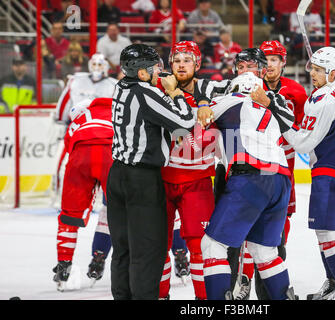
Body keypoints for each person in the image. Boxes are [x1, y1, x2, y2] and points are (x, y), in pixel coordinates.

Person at [267, 46, 335, 300]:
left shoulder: (322, 100)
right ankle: (334, 283)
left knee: (330, 233)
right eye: (313, 69)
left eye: (319, 70)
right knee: (324, 231)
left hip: (331, 170)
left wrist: (280, 117)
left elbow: (303, 143)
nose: (313, 74)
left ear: (332, 72)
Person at [107, 43, 196, 300]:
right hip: (141, 180)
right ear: (142, 73)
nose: (160, 71)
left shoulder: (120, 87)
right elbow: (185, 122)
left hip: (118, 176)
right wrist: (175, 92)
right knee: (147, 251)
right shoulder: (144, 92)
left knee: (123, 249)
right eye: (154, 67)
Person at [201, 71, 296, 300]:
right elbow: (291, 125)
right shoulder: (272, 111)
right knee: (264, 251)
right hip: (281, 179)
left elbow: (196, 120)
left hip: (251, 177)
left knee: (212, 246)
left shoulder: (228, 101)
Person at [156, 41, 217, 300]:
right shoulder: (157, 91)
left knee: (200, 247)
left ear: (197, 64)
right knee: (158, 247)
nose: (181, 64)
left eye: (187, 60)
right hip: (162, 179)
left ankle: (202, 301)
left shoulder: (213, 92)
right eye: (177, 60)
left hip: (198, 181)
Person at [52, 97, 115, 292]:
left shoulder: (80, 117)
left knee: (69, 215)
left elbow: (69, 144)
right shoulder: (121, 108)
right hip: (110, 155)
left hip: (80, 156)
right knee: (115, 211)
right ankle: (101, 258)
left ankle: (63, 264)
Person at [55, 53, 118, 125]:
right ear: (90, 65)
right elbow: (65, 102)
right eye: (94, 64)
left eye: (100, 65)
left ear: (105, 66)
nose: (96, 68)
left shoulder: (114, 85)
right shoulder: (76, 80)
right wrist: (61, 121)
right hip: (76, 122)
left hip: (100, 124)